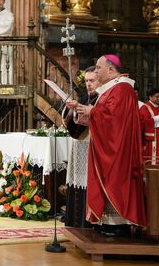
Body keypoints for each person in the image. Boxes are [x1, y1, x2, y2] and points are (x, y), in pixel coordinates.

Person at [76, 54, 146, 235]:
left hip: (117, 148)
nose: (96, 71)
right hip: (110, 144)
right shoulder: (113, 89)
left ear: (111, 69)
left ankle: (118, 224)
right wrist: (88, 111)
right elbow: (107, 113)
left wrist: (93, 111)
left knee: (115, 182)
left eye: (98, 68)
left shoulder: (122, 89)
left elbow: (114, 119)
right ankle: (107, 222)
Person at [63, 66, 99, 228]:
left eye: (92, 81)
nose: (89, 84)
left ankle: (86, 225)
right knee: (77, 184)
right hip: (78, 147)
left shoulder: (102, 99)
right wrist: (71, 110)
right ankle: (74, 224)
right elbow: (70, 123)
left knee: (87, 184)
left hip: (91, 148)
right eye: (86, 81)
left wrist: (81, 112)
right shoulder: (85, 98)